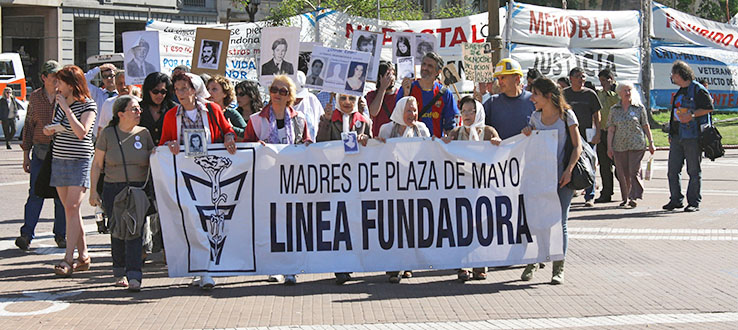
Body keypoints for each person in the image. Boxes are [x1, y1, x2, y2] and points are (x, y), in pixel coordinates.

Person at [159, 72, 237, 289]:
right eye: (177, 90)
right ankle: (202, 268)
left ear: (194, 89)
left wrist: (229, 137)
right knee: (193, 221)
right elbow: (163, 142)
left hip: (211, 176)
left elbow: (226, 130)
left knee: (211, 218)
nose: (180, 94)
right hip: (186, 177)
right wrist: (170, 144)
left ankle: (208, 269)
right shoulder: (171, 116)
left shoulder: (211, 110)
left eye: (184, 89)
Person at [89, 95, 154, 292]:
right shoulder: (108, 134)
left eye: (139, 109)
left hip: (137, 189)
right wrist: (93, 191)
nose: (138, 112)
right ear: (120, 114)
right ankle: (119, 271)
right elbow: (97, 164)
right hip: (113, 189)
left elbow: (155, 160)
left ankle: (134, 274)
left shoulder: (144, 134)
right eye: (134, 109)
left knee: (135, 231)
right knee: (117, 231)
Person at [520, 77, 582, 285]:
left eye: (535, 94)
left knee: (559, 222)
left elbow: (577, 146)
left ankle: (558, 266)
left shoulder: (567, 116)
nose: (532, 99)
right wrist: (527, 133)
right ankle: (535, 260)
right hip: (540, 178)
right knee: (537, 222)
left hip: (562, 178)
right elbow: (531, 146)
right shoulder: (535, 118)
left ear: (548, 96)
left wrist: (569, 170)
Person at [42, 65, 97, 277]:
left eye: (61, 82)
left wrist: (66, 109)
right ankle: (84, 256)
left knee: (73, 206)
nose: (58, 86)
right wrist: (50, 129)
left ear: (72, 85)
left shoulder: (88, 105)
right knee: (70, 210)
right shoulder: (59, 102)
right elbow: (57, 126)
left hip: (80, 160)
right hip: (60, 159)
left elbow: (83, 132)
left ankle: (68, 258)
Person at [316, 92, 372, 285]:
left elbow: (373, 151)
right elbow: (320, 143)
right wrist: (326, 120)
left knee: (356, 222)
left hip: (357, 180)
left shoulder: (363, 120)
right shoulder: (331, 119)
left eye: (351, 99)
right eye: (343, 99)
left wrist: (366, 139)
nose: (347, 103)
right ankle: (341, 267)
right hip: (336, 180)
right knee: (338, 222)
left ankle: (352, 264)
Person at [442, 96, 501, 281]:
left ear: (479, 113)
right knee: (462, 226)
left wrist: (498, 142)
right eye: (464, 111)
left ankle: (480, 266)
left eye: (471, 111)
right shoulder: (456, 132)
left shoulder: (488, 131)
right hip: (461, 187)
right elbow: (444, 150)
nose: (467, 115)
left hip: (483, 188)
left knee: (482, 226)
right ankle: (462, 266)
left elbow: (502, 149)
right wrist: (443, 143)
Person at [375, 96, 430, 283]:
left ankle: (407, 265)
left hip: (413, 186)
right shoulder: (387, 129)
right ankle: (392, 266)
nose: (412, 114)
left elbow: (429, 153)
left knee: (411, 225)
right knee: (393, 225)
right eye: (408, 110)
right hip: (392, 187)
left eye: (414, 110)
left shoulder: (421, 129)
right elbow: (379, 153)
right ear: (399, 111)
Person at [16, 60, 67, 251]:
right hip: (40, 152)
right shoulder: (36, 97)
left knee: (60, 196)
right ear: (44, 77)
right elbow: (29, 126)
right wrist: (25, 155)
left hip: (61, 152)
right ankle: (26, 234)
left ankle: (61, 235)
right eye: (53, 76)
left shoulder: (66, 95)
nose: (57, 79)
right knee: (35, 194)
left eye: (59, 76)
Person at [664, 60, 714, 212]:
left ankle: (693, 202)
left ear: (680, 74)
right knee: (673, 170)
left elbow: (708, 108)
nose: (672, 77)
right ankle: (676, 199)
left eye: (673, 74)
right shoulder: (680, 91)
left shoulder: (698, 89)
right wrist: (672, 131)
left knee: (693, 170)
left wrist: (691, 115)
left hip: (693, 136)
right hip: (677, 136)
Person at [607, 82, 655, 208]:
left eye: (629, 90)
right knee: (623, 173)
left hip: (637, 144)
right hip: (619, 146)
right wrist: (609, 147)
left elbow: (645, 125)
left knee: (634, 171)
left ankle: (634, 196)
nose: (627, 93)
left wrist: (651, 143)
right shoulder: (614, 110)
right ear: (619, 93)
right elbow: (611, 129)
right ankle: (625, 197)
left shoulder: (639, 108)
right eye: (625, 91)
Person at [563, 67, 602, 207]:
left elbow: (597, 115)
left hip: (587, 135)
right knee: (570, 163)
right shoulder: (564, 94)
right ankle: (571, 191)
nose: (581, 80)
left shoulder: (590, 94)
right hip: (569, 135)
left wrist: (598, 132)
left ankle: (589, 195)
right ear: (571, 79)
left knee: (589, 164)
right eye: (578, 76)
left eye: (583, 77)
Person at [397, 52, 459, 138]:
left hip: (435, 144)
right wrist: (405, 95)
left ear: (438, 72)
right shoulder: (407, 88)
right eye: (424, 64)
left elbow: (450, 124)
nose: (425, 68)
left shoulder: (445, 93)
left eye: (430, 66)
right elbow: (398, 118)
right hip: (411, 143)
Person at [244, 75, 312, 146]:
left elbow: (307, 142)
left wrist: (308, 143)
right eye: (274, 90)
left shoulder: (299, 119)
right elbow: (246, 148)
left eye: (282, 91)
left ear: (290, 96)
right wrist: (256, 145)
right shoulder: (255, 120)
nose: (277, 94)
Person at [484, 58, 535, 140]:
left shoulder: (533, 100)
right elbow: (479, 128)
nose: (499, 82)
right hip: (500, 152)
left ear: (517, 79)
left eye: (503, 77)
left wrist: (532, 129)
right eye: (498, 78)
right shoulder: (491, 103)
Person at [594, 69, 620, 204]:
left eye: (604, 80)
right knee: (604, 165)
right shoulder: (600, 94)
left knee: (619, 165)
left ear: (611, 79)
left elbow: (619, 104)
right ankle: (606, 192)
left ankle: (627, 192)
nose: (602, 84)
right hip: (603, 131)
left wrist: (611, 90)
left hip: (616, 133)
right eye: (601, 81)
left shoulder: (618, 93)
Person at [139, 72, 176, 146]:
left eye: (163, 92)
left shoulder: (173, 108)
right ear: (148, 91)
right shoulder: (138, 108)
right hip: (145, 152)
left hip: (167, 153)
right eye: (155, 91)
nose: (159, 95)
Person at [207, 75, 247, 140]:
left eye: (214, 89)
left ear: (225, 93)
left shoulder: (230, 113)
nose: (209, 92)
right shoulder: (202, 112)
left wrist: (230, 128)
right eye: (208, 89)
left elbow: (247, 133)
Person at [95, 70, 134, 136]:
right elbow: (101, 129)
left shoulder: (139, 103)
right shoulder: (108, 103)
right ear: (115, 85)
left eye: (126, 83)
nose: (123, 87)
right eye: (120, 84)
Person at [367, 61, 397, 138]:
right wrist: (382, 88)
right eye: (388, 75)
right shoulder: (371, 95)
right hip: (378, 140)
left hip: (396, 140)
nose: (391, 77)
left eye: (393, 74)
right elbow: (373, 112)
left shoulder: (399, 94)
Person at [294, 71, 324, 139]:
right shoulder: (280, 104)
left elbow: (321, 122)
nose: (297, 99)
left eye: (300, 97)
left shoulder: (312, 99)